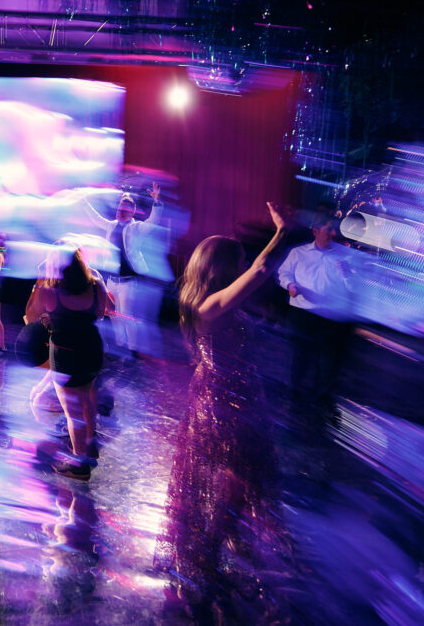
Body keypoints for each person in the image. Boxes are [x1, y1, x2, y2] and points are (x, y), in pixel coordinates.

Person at [154, 202, 289, 619]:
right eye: (240, 260)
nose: (246, 263)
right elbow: (261, 271)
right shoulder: (208, 306)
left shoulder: (218, 304)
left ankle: (215, 560)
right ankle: (204, 570)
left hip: (239, 400)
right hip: (222, 410)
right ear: (223, 267)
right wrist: (281, 233)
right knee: (224, 490)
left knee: (236, 488)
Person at [25, 243, 109, 480]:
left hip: (66, 352)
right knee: (87, 400)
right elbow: (100, 313)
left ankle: (80, 464)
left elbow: (31, 316)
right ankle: (90, 444)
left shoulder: (49, 292)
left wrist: (40, 283)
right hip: (92, 347)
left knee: (73, 413)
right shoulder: (96, 285)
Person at [276, 214, 354, 433]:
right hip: (303, 314)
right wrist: (289, 285)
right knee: (301, 356)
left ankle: (322, 402)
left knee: (328, 362)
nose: (332, 233)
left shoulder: (345, 256)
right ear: (315, 231)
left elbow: (355, 287)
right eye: (328, 229)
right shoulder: (298, 253)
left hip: (331, 317)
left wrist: (348, 275)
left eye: (334, 230)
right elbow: (283, 272)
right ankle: (295, 398)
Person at [82, 182, 164, 359]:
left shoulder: (136, 228)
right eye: (120, 208)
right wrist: (84, 201)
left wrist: (156, 203)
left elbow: (152, 221)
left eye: (125, 210)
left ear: (132, 212)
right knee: (114, 315)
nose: (121, 212)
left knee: (127, 316)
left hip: (128, 282)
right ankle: (121, 346)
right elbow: (96, 218)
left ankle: (133, 349)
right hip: (112, 280)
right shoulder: (111, 225)